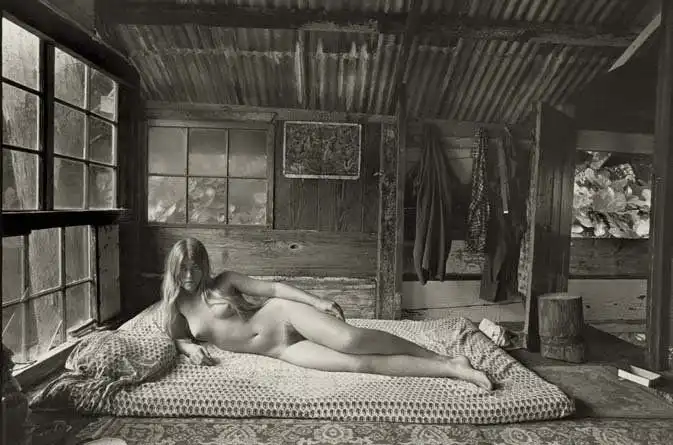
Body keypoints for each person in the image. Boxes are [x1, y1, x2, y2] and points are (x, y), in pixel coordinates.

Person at [161, 237, 493, 390]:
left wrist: (317, 301)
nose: (190, 275)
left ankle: (441, 356)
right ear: (174, 270)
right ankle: (452, 369)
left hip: (281, 315)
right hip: (281, 350)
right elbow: (177, 338)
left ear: (204, 265)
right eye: (183, 269)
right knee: (358, 364)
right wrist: (189, 348)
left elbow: (274, 289)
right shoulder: (176, 306)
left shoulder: (224, 281)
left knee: (351, 340)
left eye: (195, 267)